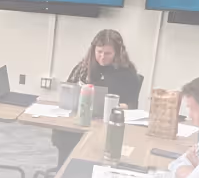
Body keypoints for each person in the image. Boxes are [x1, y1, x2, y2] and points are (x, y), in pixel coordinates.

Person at [53, 29, 143, 165]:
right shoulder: (83, 67)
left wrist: (115, 106)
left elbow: (132, 106)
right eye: (99, 52)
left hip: (107, 125)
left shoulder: (127, 74)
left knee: (93, 147)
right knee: (66, 137)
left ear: (118, 53)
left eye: (107, 53)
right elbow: (69, 89)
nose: (102, 57)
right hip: (78, 121)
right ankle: (63, 173)